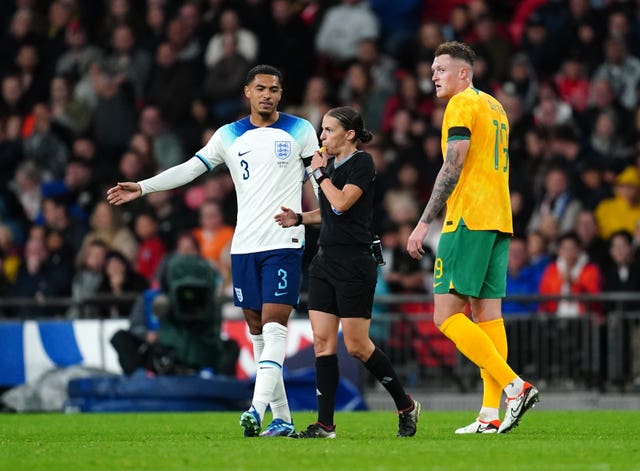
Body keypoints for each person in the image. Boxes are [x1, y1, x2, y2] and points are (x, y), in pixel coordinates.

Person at [107, 65, 319, 438]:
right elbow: (191, 169)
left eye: (274, 89)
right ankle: (282, 418)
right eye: (260, 88)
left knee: (274, 326)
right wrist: (143, 187)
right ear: (247, 92)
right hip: (243, 247)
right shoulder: (229, 135)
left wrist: (322, 222)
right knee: (256, 330)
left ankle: (255, 409)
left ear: (281, 94)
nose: (267, 94)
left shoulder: (301, 130)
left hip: (283, 242)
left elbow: (319, 183)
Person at [406, 41, 539, 434]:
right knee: (487, 316)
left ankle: (514, 386)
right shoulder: (495, 106)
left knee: (445, 316)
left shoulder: (461, 104)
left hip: (469, 218)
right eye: (432, 69)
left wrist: (423, 221)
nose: (433, 75)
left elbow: (454, 163)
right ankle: (489, 413)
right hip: (499, 218)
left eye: (441, 69)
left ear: (464, 73)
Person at [275, 106, 421, 439]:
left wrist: (318, 174)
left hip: (355, 263)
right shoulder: (332, 168)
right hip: (325, 261)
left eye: (328, 130)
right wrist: (299, 218)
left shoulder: (362, 163)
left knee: (356, 345)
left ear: (349, 134)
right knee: (323, 343)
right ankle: (325, 425)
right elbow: (329, 211)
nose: (322, 136)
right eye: (322, 130)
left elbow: (341, 203)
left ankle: (406, 405)